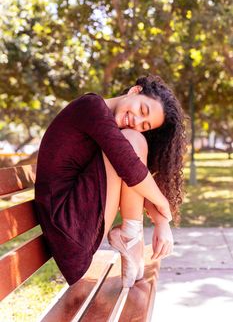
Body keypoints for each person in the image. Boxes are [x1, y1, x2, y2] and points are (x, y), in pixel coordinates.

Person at [34, 73, 188, 288]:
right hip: (68, 230)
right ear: (135, 90)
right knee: (132, 142)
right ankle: (131, 237)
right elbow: (131, 170)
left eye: (145, 125)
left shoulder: (110, 129)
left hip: (77, 233)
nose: (136, 121)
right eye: (142, 110)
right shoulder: (90, 106)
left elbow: (134, 176)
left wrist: (162, 222)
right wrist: (163, 206)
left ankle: (131, 236)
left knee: (133, 143)